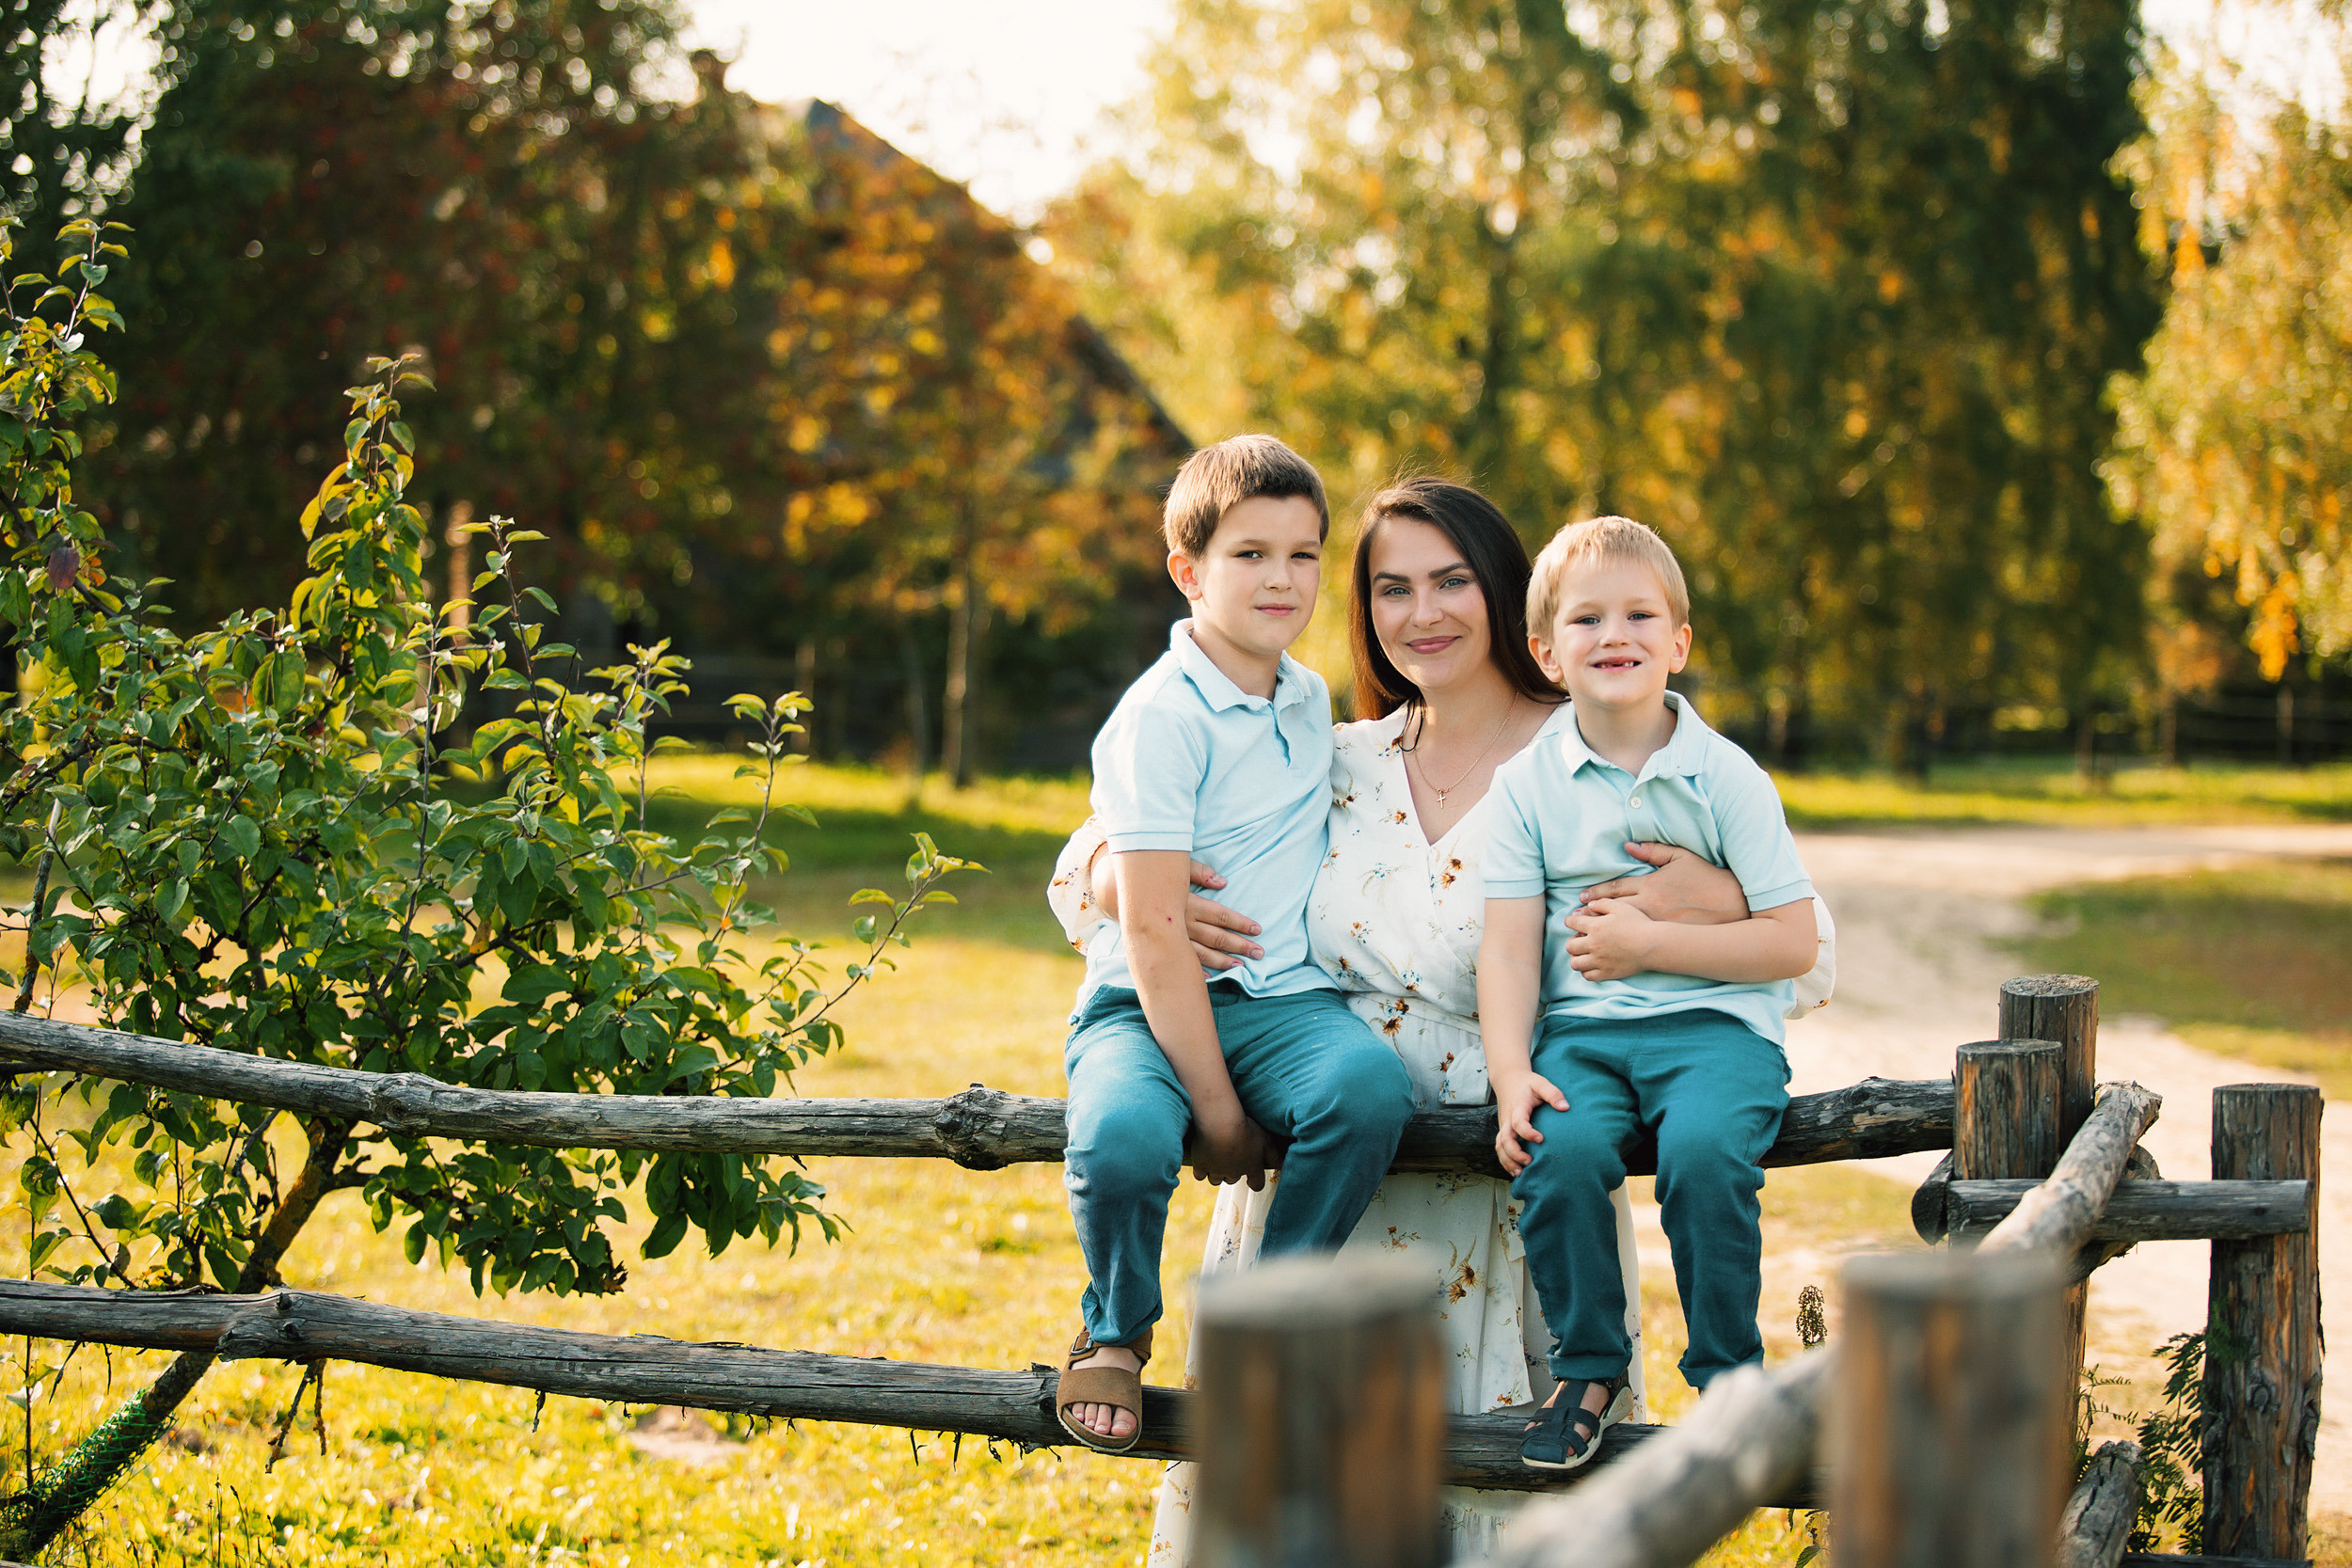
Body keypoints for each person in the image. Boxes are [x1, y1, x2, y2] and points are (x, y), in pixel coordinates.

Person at [1050, 480, 1836, 1555]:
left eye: (1451, 580)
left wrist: (1713, 898)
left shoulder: (1597, 746)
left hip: (1499, 1191)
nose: (1421, 612)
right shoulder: (1335, 753)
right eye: (1391, 587)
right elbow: (1090, 854)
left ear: (1504, 591)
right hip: (1325, 1184)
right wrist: (1116, 876)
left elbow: (1808, 945)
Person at [1052, 434, 1418, 1454]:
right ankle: (1114, 1329)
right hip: (1141, 1000)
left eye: (1303, 554)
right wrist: (1215, 1110)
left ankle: (1267, 1325)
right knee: (1121, 1139)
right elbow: (1152, 928)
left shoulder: (1304, 695)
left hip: (1282, 1001)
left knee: (1367, 1090)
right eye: (1250, 553)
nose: (1282, 578)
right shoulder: (1157, 718)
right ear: (1188, 570)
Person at [1478, 515, 1820, 1474]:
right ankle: (1588, 1370)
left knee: (1706, 1153)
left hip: (1718, 1030)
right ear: (1546, 652)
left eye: (1639, 614)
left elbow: (1792, 938)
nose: (1613, 634)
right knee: (1559, 1148)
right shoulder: (1525, 785)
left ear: (1679, 642)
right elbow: (1507, 948)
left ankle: (1728, 1380)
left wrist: (1652, 943)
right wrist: (1510, 1072)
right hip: (1583, 1037)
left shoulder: (1727, 776)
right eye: (1586, 618)